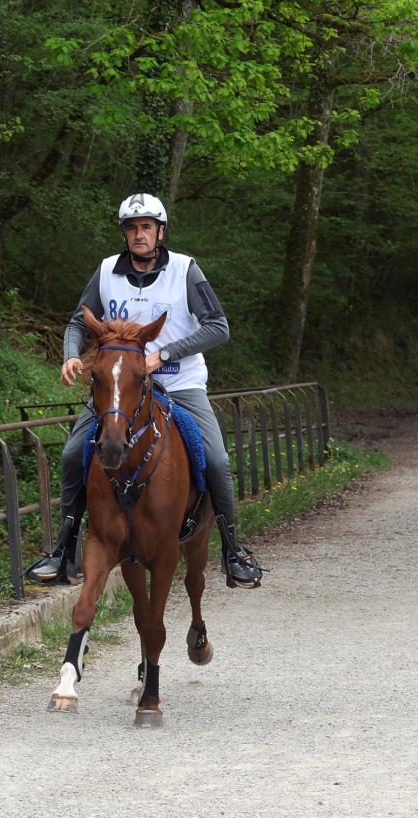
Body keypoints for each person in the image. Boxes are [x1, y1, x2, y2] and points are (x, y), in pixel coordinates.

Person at [25, 193, 263, 588]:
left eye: (147, 227)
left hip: (179, 383)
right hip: (122, 388)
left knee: (217, 461)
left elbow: (218, 327)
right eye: (132, 228)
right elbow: (76, 323)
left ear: (160, 231)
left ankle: (234, 549)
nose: (139, 235)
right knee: (72, 454)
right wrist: (70, 355)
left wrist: (165, 352)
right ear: (125, 233)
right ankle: (63, 551)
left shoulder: (185, 270)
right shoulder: (106, 271)